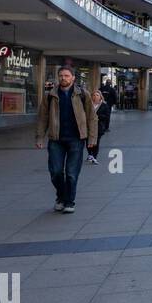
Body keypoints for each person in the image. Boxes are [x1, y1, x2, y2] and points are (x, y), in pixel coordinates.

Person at [34, 65, 98, 213]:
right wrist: (40, 137)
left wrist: (92, 138)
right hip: (56, 139)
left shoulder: (83, 94)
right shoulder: (50, 95)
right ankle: (61, 196)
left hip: (76, 139)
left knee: (71, 173)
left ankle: (69, 202)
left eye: (67, 76)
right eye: (61, 75)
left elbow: (92, 118)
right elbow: (42, 117)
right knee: (55, 172)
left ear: (73, 78)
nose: (63, 78)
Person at [87, 92, 112, 164]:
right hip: (89, 126)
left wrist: (97, 117)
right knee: (88, 141)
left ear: (100, 97)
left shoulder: (104, 105)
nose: (95, 97)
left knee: (96, 142)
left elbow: (107, 116)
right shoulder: (89, 105)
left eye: (97, 95)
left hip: (99, 127)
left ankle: (94, 156)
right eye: (94, 95)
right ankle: (90, 154)